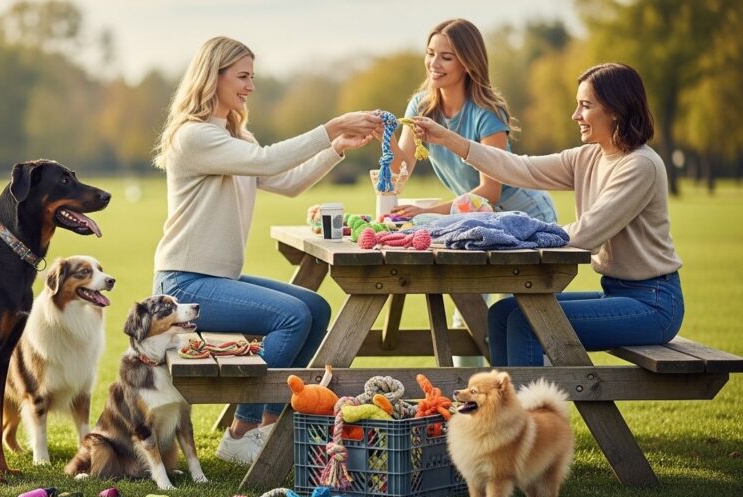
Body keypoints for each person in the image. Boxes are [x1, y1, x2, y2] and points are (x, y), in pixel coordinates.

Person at [151, 36, 382, 465]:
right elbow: (272, 161)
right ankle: (244, 429)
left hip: (216, 279)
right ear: (212, 77)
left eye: (251, 77)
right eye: (242, 77)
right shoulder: (194, 137)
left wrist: (336, 149)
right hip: (184, 282)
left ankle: (265, 426)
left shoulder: (232, 134)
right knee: (289, 316)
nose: (249, 87)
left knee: (314, 307)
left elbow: (287, 182)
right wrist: (330, 128)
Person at [408, 62, 683, 366]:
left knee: (528, 323)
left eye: (585, 106)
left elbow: (586, 234)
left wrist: (515, 236)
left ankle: (530, 413)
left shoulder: (639, 165)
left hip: (654, 304)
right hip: (617, 293)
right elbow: (519, 167)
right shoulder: (588, 156)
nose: (576, 115)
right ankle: (508, 410)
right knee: (501, 315)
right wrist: (448, 138)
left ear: (616, 109)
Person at [389, 19, 559, 366]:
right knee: (467, 311)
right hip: (474, 220)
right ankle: (468, 407)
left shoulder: (486, 112)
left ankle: (529, 409)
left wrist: (428, 214)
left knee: (523, 319)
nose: (434, 64)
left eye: (446, 57)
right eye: (430, 53)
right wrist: (386, 134)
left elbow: (489, 192)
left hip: (523, 219)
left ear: (468, 62)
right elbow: (399, 173)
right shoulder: (421, 107)